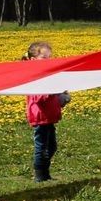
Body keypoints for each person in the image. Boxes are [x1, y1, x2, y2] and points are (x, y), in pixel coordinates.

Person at [22, 41, 70, 182]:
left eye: (50, 57)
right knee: (41, 147)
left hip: (48, 117)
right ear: (33, 60)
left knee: (52, 146)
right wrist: (54, 90)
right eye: (44, 58)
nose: (48, 61)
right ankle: (40, 175)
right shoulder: (34, 76)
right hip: (40, 118)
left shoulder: (47, 75)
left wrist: (62, 97)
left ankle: (44, 172)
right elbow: (39, 97)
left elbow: (50, 97)